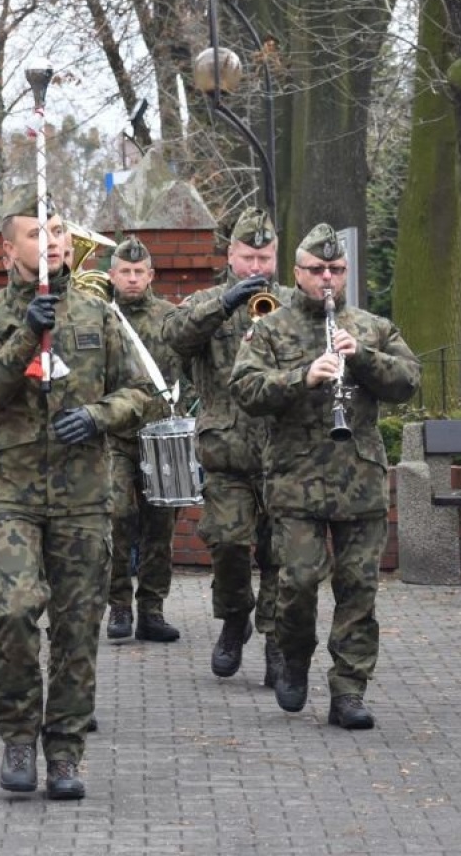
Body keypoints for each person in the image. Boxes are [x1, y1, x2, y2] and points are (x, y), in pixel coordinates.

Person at [0, 187, 151, 800]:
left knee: (77, 626)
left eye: (58, 231)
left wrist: (98, 416)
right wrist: (20, 340)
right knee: (11, 611)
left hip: (84, 493)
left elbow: (144, 394)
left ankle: (64, 751)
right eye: (37, 233)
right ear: (8, 249)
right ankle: (18, 735)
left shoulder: (99, 315)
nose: (53, 241)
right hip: (10, 491)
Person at [231, 223, 419, 729]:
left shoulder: (371, 327)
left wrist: (364, 359)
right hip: (296, 480)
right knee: (296, 585)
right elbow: (245, 389)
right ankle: (293, 657)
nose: (328, 279)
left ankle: (349, 690)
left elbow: (409, 381)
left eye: (336, 270)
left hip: (360, 479)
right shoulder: (270, 329)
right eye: (317, 270)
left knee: (359, 587)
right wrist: (302, 377)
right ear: (297, 273)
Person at [166, 206, 286, 684]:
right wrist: (226, 303)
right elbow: (173, 337)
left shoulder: (293, 304)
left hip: (283, 455)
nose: (256, 267)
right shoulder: (208, 302)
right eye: (247, 257)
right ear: (231, 255)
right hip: (227, 453)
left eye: (265, 257)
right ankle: (235, 618)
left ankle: (277, 640)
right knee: (229, 545)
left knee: (282, 555)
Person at [102, 235, 182, 644]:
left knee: (159, 525)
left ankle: (152, 608)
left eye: (139, 272)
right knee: (116, 516)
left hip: (161, 436)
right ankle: (119, 604)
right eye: (125, 272)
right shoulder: (101, 316)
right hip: (115, 436)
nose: (132, 279)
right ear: (112, 275)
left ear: (151, 275)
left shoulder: (170, 317)